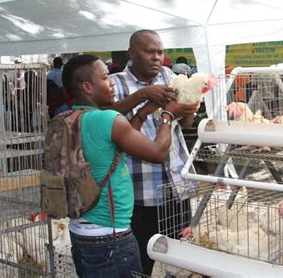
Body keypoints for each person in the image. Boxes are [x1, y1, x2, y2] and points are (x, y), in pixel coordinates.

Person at [61, 54, 196, 277]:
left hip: (82, 230)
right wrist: (168, 116)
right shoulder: (106, 120)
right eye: (105, 78)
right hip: (110, 238)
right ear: (87, 86)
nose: (112, 83)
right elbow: (157, 153)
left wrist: (144, 111)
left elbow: (121, 145)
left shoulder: (73, 117)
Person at [110, 30, 198, 275]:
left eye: (160, 52)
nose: (156, 57)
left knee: (180, 258)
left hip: (176, 183)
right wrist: (143, 95)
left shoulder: (169, 76)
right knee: (143, 259)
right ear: (131, 53)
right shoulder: (115, 82)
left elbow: (186, 124)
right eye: (149, 51)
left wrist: (189, 109)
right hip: (141, 191)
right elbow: (108, 116)